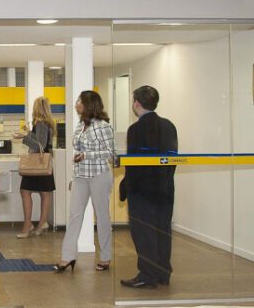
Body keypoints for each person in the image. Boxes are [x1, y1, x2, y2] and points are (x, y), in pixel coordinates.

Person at [120, 85, 178, 289]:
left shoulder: (135, 129)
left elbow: (134, 163)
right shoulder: (169, 126)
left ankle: (148, 275)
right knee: (163, 231)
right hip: (165, 189)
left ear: (136, 104)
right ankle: (163, 273)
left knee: (144, 233)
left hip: (142, 191)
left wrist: (126, 185)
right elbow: (172, 159)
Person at [55, 90, 114, 273]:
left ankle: (105, 256)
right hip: (81, 176)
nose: (76, 104)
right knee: (74, 215)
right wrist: (74, 175)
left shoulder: (103, 126)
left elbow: (111, 154)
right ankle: (68, 256)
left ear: (88, 104)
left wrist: (87, 155)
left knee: (102, 217)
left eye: (79, 101)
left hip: (99, 175)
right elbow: (78, 151)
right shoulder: (80, 125)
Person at [12, 96, 56, 238]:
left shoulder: (41, 123)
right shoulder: (47, 123)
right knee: (45, 193)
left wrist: (23, 138)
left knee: (25, 191)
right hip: (44, 162)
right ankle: (41, 223)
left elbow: (40, 145)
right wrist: (28, 133)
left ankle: (28, 225)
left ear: (37, 108)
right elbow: (42, 141)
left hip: (37, 162)